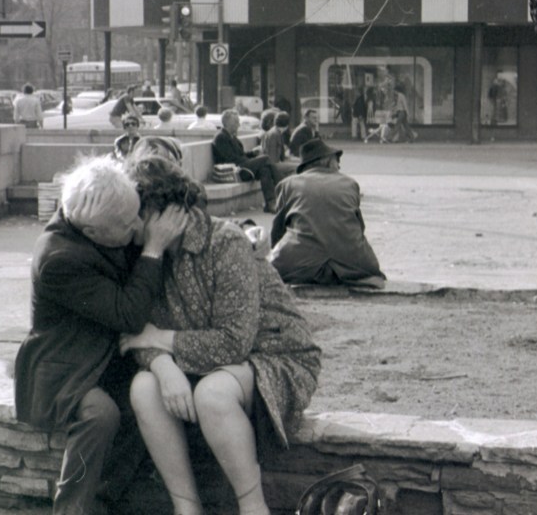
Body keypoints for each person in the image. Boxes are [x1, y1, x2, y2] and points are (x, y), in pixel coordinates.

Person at [119, 156, 321, 515]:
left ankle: (253, 507)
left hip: (272, 355)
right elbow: (136, 335)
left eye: (137, 212)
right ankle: (187, 508)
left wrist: (161, 340)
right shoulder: (146, 254)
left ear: (164, 211)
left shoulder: (224, 241)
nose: (128, 223)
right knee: (143, 388)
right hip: (203, 363)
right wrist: (163, 367)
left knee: (212, 395)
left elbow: (233, 343)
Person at [13, 156, 188, 515]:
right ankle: (72, 510)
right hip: (65, 361)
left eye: (137, 213)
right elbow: (129, 315)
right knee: (100, 414)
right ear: (92, 232)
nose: (138, 227)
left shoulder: (105, 214)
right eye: (127, 225)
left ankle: (104, 503)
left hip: (107, 352)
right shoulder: (59, 258)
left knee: (148, 404)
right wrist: (153, 249)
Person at [269, 138, 386, 287]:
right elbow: (359, 227)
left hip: (300, 259)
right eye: (337, 159)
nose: (339, 165)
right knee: (365, 263)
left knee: (270, 269)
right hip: (352, 261)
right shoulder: (350, 184)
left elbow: (278, 230)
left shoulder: (287, 185)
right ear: (327, 161)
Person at [211, 109, 281, 213]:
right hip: (235, 170)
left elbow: (240, 154)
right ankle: (282, 188)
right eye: (236, 122)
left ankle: (270, 203)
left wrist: (252, 153)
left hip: (242, 166)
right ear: (228, 123)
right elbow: (230, 159)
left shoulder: (233, 137)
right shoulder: (220, 137)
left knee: (264, 170)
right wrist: (252, 161)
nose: (239, 125)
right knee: (265, 158)